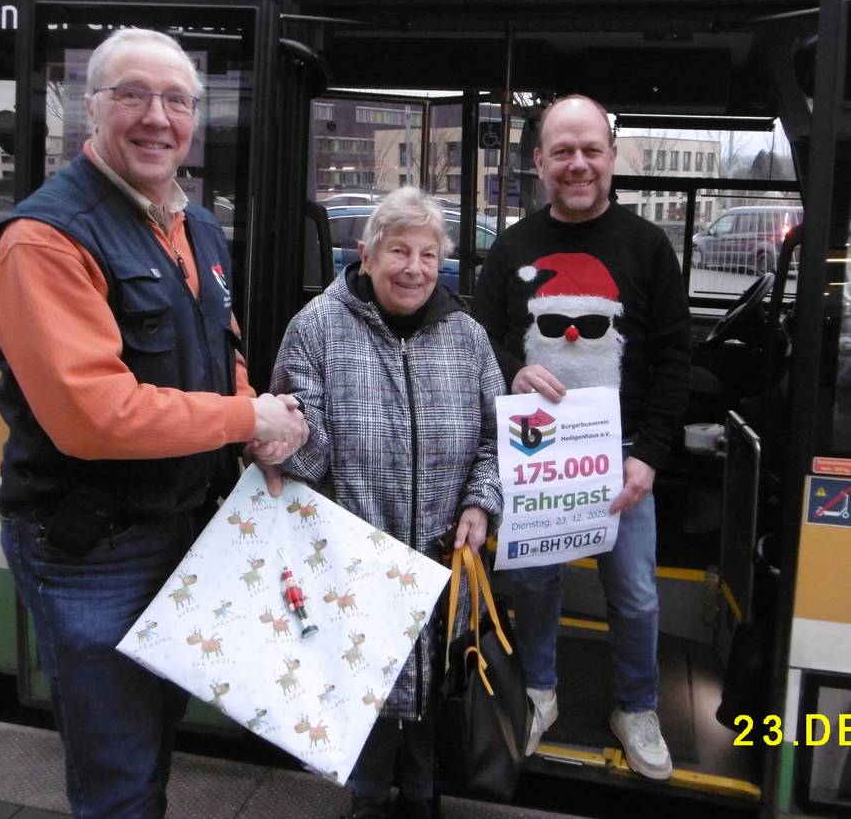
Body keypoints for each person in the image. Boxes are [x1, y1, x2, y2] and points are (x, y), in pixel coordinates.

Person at [0, 27, 308, 819]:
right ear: (93, 109)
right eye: (133, 95)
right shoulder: (43, 241)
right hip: (95, 549)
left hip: (182, 528)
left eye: (178, 100)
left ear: (195, 119)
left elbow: (215, 349)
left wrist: (253, 423)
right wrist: (240, 415)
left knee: (156, 735)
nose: (158, 117)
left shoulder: (196, 226)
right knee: (118, 773)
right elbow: (95, 417)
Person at [472, 94, 691, 781]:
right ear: (539, 161)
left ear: (611, 156)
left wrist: (650, 457)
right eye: (562, 151)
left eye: (590, 150)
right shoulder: (511, 247)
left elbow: (676, 357)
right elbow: (477, 346)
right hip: (535, 460)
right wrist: (515, 369)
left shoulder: (648, 247)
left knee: (636, 595)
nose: (578, 164)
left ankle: (637, 705)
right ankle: (538, 690)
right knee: (534, 584)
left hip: (623, 462)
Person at [269, 187, 504, 819]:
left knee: (432, 684)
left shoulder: (468, 336)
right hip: (354, 559)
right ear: (366, 254)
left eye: (429, 254)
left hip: (443, 559)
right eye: (398, 250)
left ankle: (424, 798)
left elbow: (496, 440)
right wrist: (272, 438)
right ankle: (368, 801)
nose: (414, 267)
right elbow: (302, 458)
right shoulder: (315, 328)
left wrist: (481, 503)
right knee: (365, 688)